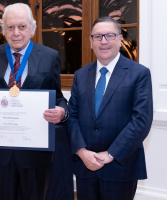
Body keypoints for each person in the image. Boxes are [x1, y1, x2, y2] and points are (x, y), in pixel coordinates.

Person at [0, 3, 68, 200]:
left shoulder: (49, 56)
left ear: (32, 29)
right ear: (4, 30)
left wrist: (61, 112)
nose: (16, 32)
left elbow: (59, 98)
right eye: (10, 27)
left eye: (22, 26)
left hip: (35, 153)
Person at [66, 17, 153, 200]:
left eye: (109, 36)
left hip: (120, 167)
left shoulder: (139, 74)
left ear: (120, 39)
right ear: (91, 42)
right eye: (98, 36)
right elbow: (72, 116)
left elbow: (141, 121)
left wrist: (110, 154)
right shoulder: (81, 75)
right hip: (85, 166)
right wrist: (82, 151)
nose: (103, 41)